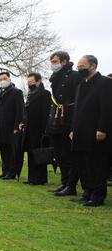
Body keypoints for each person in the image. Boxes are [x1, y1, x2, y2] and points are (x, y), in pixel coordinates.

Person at [70, 55, 112, 207]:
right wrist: (73, 129)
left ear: (93, 65)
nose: (79, 69)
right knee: (83, 164)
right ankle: (87, 192)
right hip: (80, 132)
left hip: (96, 132)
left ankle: (98, 195)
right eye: (78, 67)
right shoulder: (81, 84)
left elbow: (107, 108)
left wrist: (102, 128)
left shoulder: (105, 83)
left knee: (97, 164)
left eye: (82, 66)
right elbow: (77, 110)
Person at [48, 51, 83, 197]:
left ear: (64, 61)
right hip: (57, 119)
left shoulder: (75, 76)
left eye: (55, 61)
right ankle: (64, 182)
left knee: (68, 154)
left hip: (69, 117)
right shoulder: (55, 77)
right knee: (59, 154)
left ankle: (71, 185)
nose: (52, 64)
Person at [0, 71, 25, 180]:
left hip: (12, 127)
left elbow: (20, 110)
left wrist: (17, 126)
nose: (2, 80)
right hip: (0, 127)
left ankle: (12, 173)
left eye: (5, 78)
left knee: (11, 150)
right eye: (0, 79)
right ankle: (5, 171)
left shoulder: (17, 92)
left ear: (9, 79)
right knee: (3, 150)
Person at [21, 73, 52, 185]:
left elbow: (45, 112)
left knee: (39, 153)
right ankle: (32, 177)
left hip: (39, 129)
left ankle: (40, 178)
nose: (29, 84)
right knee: (31, 153)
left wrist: (45, 130)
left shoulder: (45, 94)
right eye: (28, 82)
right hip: (29, 129)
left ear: (38, 81)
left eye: (31, 82)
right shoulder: (30, 94)